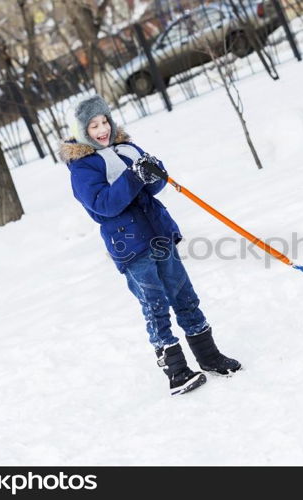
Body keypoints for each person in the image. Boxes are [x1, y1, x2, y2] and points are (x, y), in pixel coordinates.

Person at [59, 95, 241, 396]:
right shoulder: (82, 167)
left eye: (105, 121)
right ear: (81, 131)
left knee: (184, 295)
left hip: (157, 233)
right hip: (130, 244)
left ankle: (209, 356)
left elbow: (156, 184)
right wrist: (132, 178)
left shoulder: (126, 148)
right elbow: (103, 206)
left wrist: (153, 169)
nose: (102, 129)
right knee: (155, 304)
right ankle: (176, 371)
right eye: (93, 125)